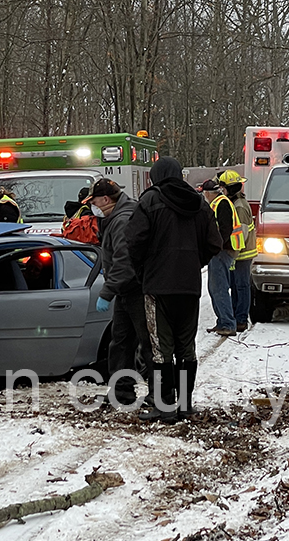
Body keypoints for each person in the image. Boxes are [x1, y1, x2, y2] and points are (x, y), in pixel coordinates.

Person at [125, 157, 222, 422]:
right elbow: (214, 243)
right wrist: (193, 262)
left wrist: (145, 271)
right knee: (186, 348)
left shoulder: (148, 201)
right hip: (188, 286)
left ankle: (165, 406)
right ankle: (186, 405)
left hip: (158, 287)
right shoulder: (200, 203)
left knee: (161, 349)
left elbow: (134, 242)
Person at [87, 178, 146, 407]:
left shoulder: (121, 220)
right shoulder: (117, 216)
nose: (94, 206)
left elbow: (124, 261)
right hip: (126, 290)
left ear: (105, 199)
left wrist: (107, 291)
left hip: (134, 290)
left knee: (145, 343)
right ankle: (122, 391)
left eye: (94, 201)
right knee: (121, 342)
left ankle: (159, 395)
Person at [201, 177, 245, 336]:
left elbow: (224, 230)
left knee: (218, 287)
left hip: (223, 250)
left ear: (207, 193)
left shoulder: (222, 203)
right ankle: (222, 322)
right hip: (223, 249)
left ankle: (227, 323)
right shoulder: (220, 202)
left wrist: (215, 247)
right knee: (215, 288)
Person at [218, 170, 256, 332]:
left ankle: (241, 319)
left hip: (242, 254)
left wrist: (232, 254)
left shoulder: (239, 207)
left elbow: (243, 234)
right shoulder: (236, 202)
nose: (221, 191)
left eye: (223, 188)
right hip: (240, 253)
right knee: (236, 285)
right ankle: (236, 316)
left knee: (241, 286)